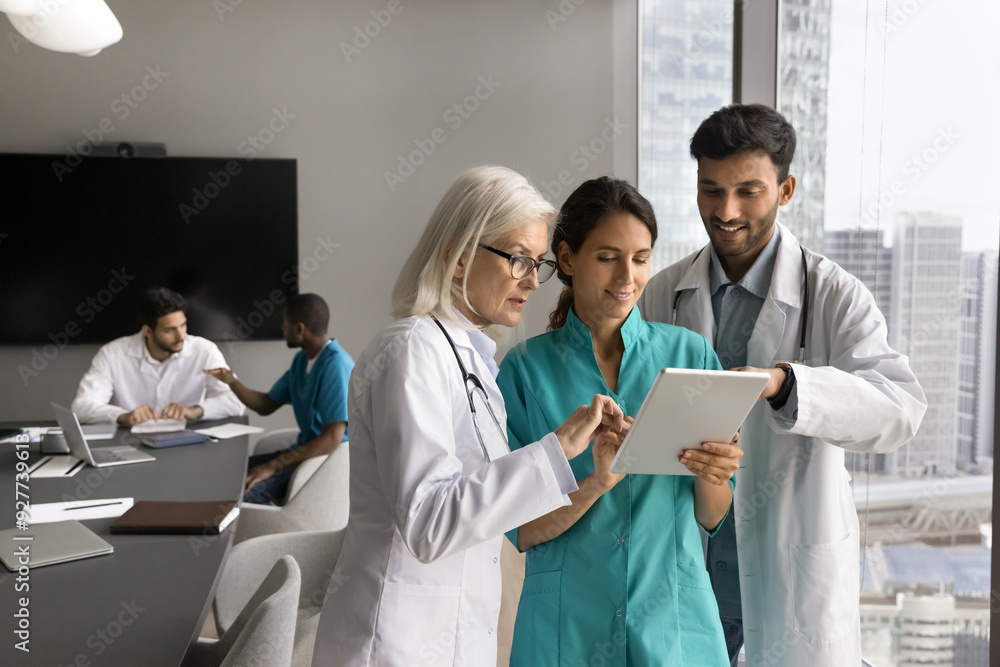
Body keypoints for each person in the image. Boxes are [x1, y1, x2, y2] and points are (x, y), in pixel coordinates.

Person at [639, 104, 927, 666]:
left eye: (748, 191)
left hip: (790, 576)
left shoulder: (834, 294)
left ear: (786, 188)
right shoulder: (661, 293)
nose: (726, 211)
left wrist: (786, 385)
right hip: (689, 574)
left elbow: (900, 410)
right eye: (711, 190)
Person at [310, 166, 627, 667]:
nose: (532, 280)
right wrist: (556, 447)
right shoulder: (412, 350)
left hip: (452, 635)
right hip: (395, 640)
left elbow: (487, 509)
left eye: (537, 263)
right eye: (518, 259)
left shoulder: (472, 360)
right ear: (458, 258)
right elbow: (429, 523)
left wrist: (589, 475)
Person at [497, 176, 738, 666]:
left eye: (641, 258)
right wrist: (595, 483)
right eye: (607, 257)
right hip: (567, 629)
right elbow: (519, 529)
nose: (626, 276)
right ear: (566, 259)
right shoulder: (523, 371)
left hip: (672, 623)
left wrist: (716, 473)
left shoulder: (690, 357)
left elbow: (711, 515)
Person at [204, 293, 353, 505]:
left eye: (285, 324)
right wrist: (231, 381)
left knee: (246, 492)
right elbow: (265, 405)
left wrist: (270, 466)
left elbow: (331, 440)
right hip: (302, 453)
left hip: (323, 461)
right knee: (229, 473)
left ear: (300, 328)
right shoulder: (302, 361)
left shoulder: (335, 365)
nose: (282, 329)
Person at [71, 287, 244, 425]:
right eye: (170, 330)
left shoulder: (204, 350)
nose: (181, 336)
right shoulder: (113, 353)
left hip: (188, 444)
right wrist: (123, 416)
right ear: (147, 331)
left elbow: (236, 402)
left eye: (183, 325)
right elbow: (81, 407)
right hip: (132, 446)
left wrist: (195, 410)